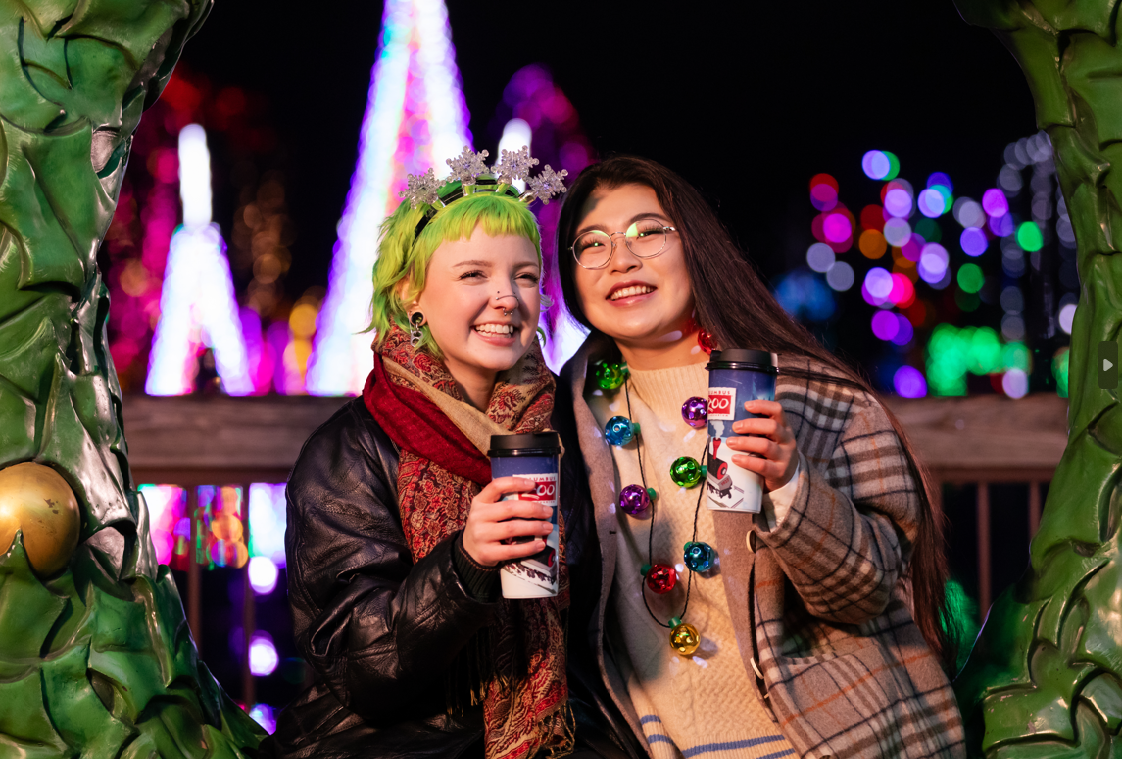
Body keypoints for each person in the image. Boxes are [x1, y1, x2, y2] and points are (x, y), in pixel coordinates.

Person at [553, 156, 965, 759]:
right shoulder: (562, 417)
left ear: (697, 247)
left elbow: (871, 593)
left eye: (649, 232)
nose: (621, 259)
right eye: (593, 243)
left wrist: (791, 485)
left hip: (833, 741)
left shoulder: (813, 399)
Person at [264, 149, 635, 759]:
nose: (507, 298)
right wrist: (464, 563)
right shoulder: (349, 449)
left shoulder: (565, 428)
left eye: (523, 276)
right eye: (472, 275)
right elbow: (361, 671)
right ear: (412, 295)